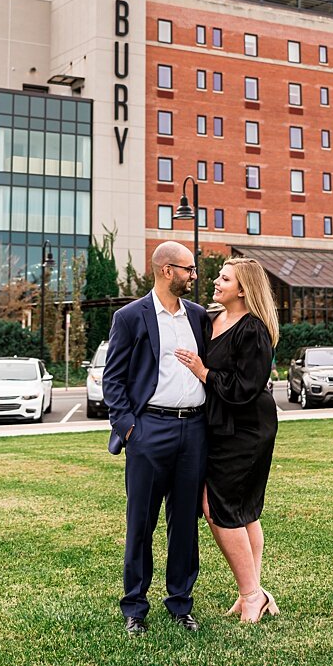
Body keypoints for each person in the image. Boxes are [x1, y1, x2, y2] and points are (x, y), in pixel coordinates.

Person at [102, 240, 209, 634]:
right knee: (141, 522)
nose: (194, 276)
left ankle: (181, 604)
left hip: (194, 430)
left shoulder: (198, 317)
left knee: (184, 523)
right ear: (167, 270)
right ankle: (134, 607)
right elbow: (113, 378)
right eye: (188, 269)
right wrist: (129, 427)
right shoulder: (131, 316)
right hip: (149, 431)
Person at [174, 257, 280, 624]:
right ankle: (253, 592)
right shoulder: (212, 319)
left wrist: (204, 372)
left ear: (243, 289)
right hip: (219, 426)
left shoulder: (253, 330)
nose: (215, 281)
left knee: (219, 507)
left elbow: (247, 388)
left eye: (224, 278)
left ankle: (252, 594)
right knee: (239, 510)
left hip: (248, 429)